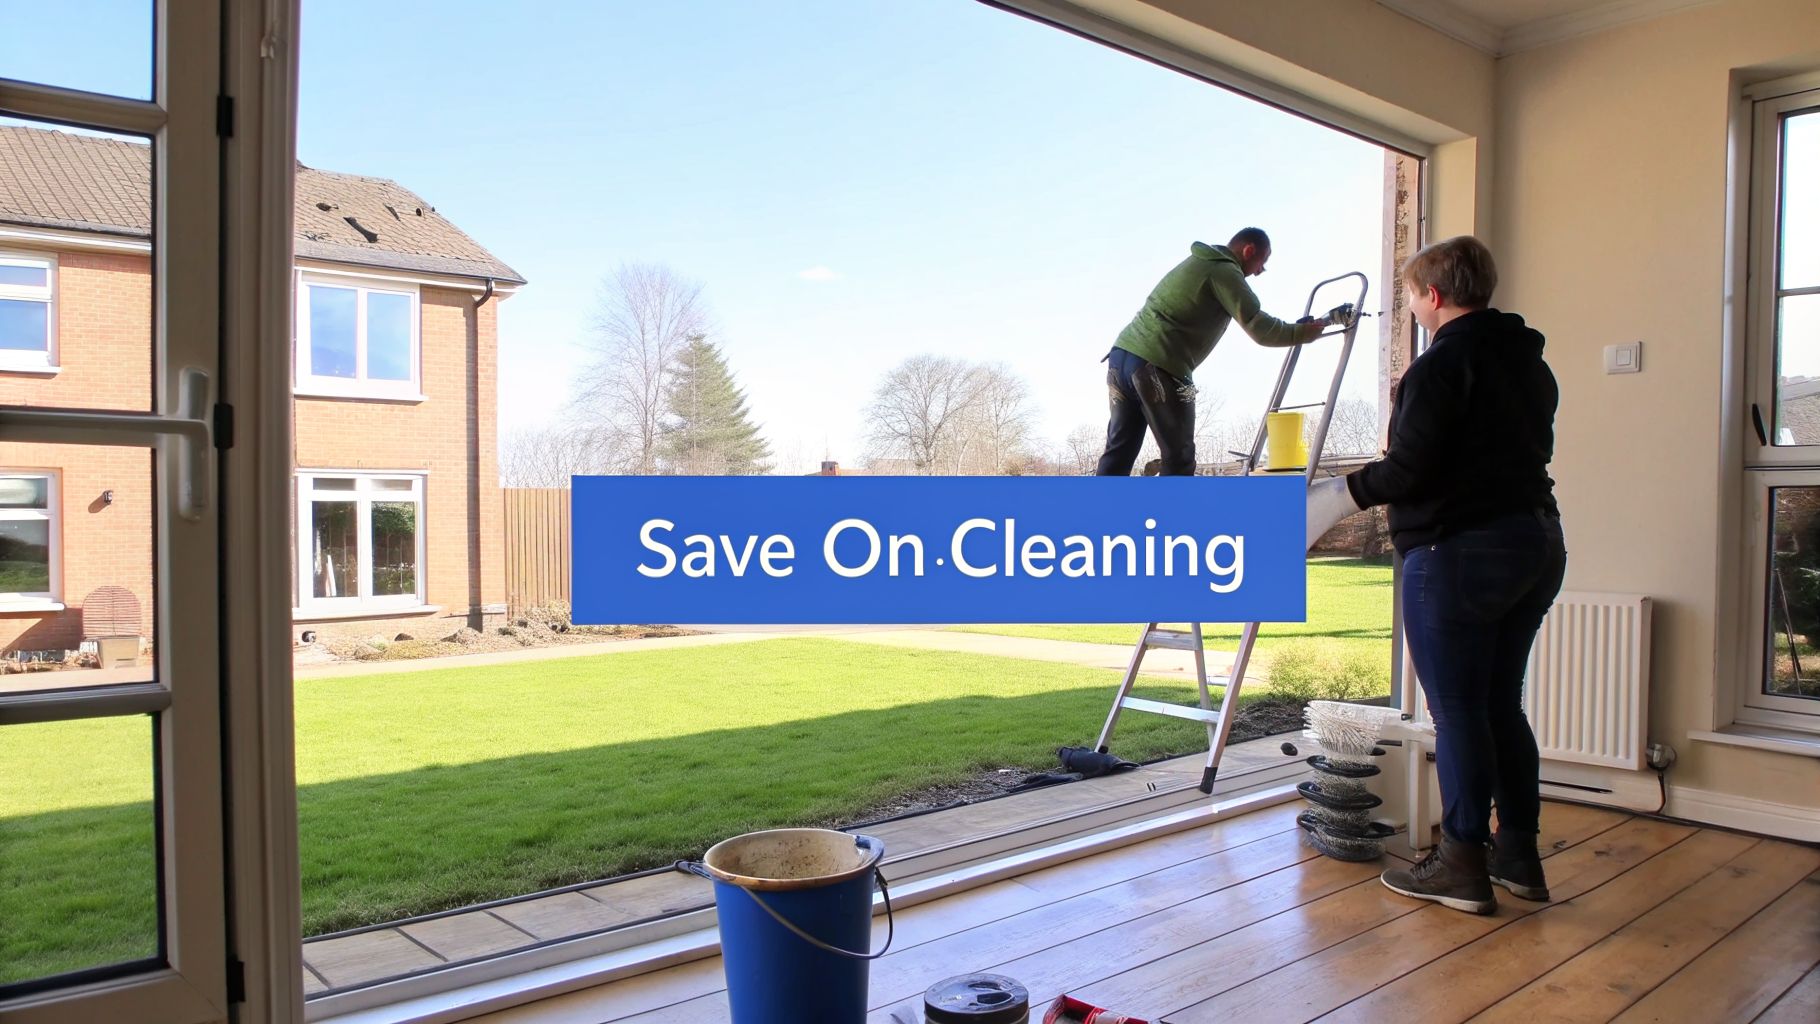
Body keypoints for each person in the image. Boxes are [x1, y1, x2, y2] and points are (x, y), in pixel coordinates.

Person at [1306, 234, 1565, 915]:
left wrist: (1340, 495)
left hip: (1459, 554)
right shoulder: (1528, 364)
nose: (1415, 308)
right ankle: (1519, 858)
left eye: (1415, 295)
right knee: (1501, 703)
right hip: (1535, 542)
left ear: (1436, 295)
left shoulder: (1441, 366)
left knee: (1458, 713)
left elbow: (1411, 469)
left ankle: (1460, 864)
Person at [1096, 228, 1355, 476]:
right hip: (1158, 365)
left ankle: (1095, 517)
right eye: (1261, 262)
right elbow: (1259, 326)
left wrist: (1295, 329)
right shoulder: (1225, 270)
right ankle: (1171, 518)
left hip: (1121, 359)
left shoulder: (1198, 263)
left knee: (1119, 450)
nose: (1260, 271)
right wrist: (1303, 334)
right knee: (1179, 457)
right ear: (1249, 250)